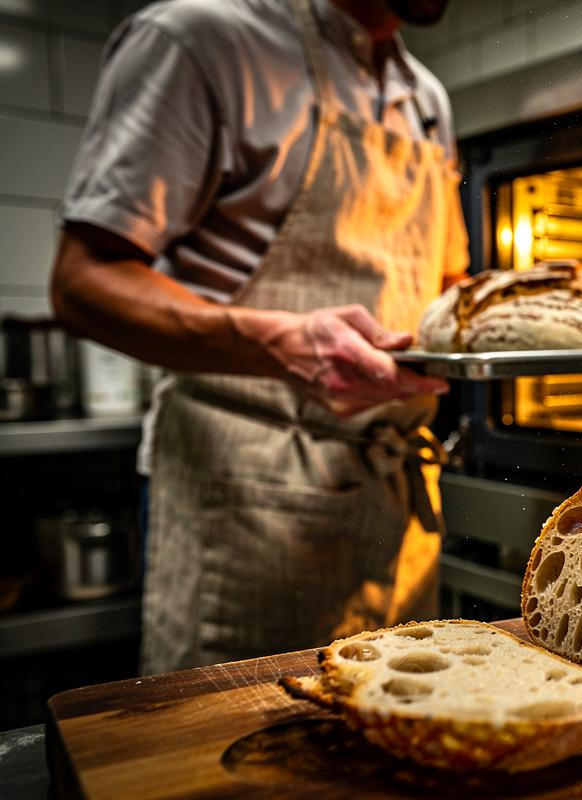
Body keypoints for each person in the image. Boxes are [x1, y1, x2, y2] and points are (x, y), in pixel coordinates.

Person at [49, 0, 468, 674]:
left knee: (397, 753)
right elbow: (82, 283)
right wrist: (281, 343)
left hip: (398, 504)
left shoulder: (428, 99)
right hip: (250, 503)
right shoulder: (202, 41)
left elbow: (445, 278)